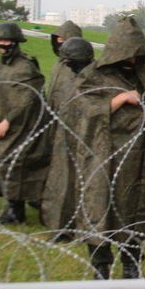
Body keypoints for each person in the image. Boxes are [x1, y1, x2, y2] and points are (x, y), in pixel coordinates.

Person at [69, 16, 145, 278]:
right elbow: (81, 110)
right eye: (128, 57)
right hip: (105, 155)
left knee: (136, 210)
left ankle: (131, 263)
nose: (132, 63)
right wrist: (120, 99)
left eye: (137, 57)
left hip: (141, 156)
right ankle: (100, 265)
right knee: (99, 207)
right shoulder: (92, 76)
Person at [0, 23, 48, 224]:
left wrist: (8, 121)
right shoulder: (1, 66)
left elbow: (26, 98)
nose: (3, 47)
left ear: (16, 44)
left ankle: (16, 209)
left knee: (8, 164)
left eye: (7, 43)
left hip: (21, 125)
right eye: (0, 44)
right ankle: (16, 205)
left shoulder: (25, 67)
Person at [40, 37, 94, 238]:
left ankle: (86, 228)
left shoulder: (96, 78)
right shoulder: (69, 77)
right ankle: (64, 226)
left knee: (86, 186)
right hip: (65, 136)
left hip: (89, 140)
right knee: (63, 184)